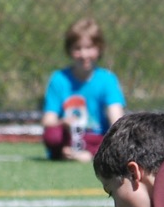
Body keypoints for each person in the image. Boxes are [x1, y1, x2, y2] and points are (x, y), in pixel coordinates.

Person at [40, 18, 126, 162]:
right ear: (69, 50)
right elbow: (48, 120)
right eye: (78, 49)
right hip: (69, 136)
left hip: (96, 138)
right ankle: (65, 153)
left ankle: (94, 154)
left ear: (99, 49)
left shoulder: (107, 80)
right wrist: (63, 122)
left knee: (117, 138)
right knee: (52, 135)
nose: (84, 54)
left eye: (89, 48)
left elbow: (117, 120)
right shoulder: (58, 79)